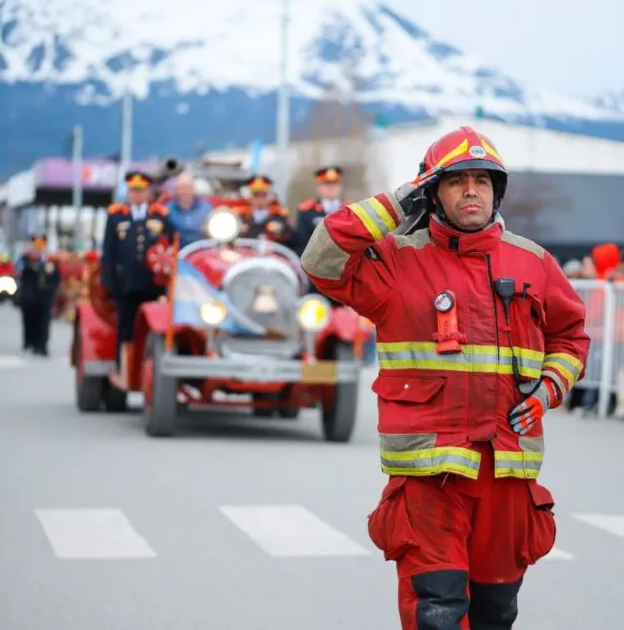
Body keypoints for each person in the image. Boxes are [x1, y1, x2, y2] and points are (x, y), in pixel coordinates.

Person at [301, 125, 591, 629]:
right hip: (428, 479)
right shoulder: (396, 260)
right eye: (456, 181)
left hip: (507, 475)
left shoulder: (535, 263)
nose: (471, 190)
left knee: (495, 615)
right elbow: (322, 258)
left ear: (497, 192)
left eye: (482, 180)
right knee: (436, 612)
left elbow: (571, 338)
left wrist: (548, 391)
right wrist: (396, 203)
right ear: (432, 192)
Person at [101, 170, 176, 388]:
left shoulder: (160, 216)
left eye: (141, 191)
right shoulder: (117, 216)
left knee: (154, 327)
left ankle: (150, 371)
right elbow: (108, 252)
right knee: (126, 325)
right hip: (126, 284)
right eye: (133, 191)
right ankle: (123, 367)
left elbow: (171, 245)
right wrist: (109, 282)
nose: (137, 195)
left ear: (148, 192)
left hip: (153, 284)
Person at [16, 234, 61, 356]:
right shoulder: (25, 259)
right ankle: (30, 341)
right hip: (29, 297)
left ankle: (42, 345)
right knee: (30, 320)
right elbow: (19, 273)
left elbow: (56, 278)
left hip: (45, 297)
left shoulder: (51, 261)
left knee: (44, 322)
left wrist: (51, 289)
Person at [293, 166, 347, 254]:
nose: (331, 188)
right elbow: (301, 240)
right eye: (326, 184)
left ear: (341, 186)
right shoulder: (307, 210)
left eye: (335, 183)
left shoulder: (350, 210)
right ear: (318, 187)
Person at [233, 175, 293, 244]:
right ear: (249, 197)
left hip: (272, 248)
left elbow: (291, 235)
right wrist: (239, 230)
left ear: (270, 196)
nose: (259, 199)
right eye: (256, 195)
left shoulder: (279, 214)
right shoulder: (240, 214)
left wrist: (280, 230)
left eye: (263, 195)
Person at [165, 172, 213, 247]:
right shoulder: (167, 209)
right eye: (182, 188)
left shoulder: (206, 207)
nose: (185, 191)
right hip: (177, 250)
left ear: (194, 189)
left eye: (188, 187)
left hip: (203, 249)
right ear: (176, 190)